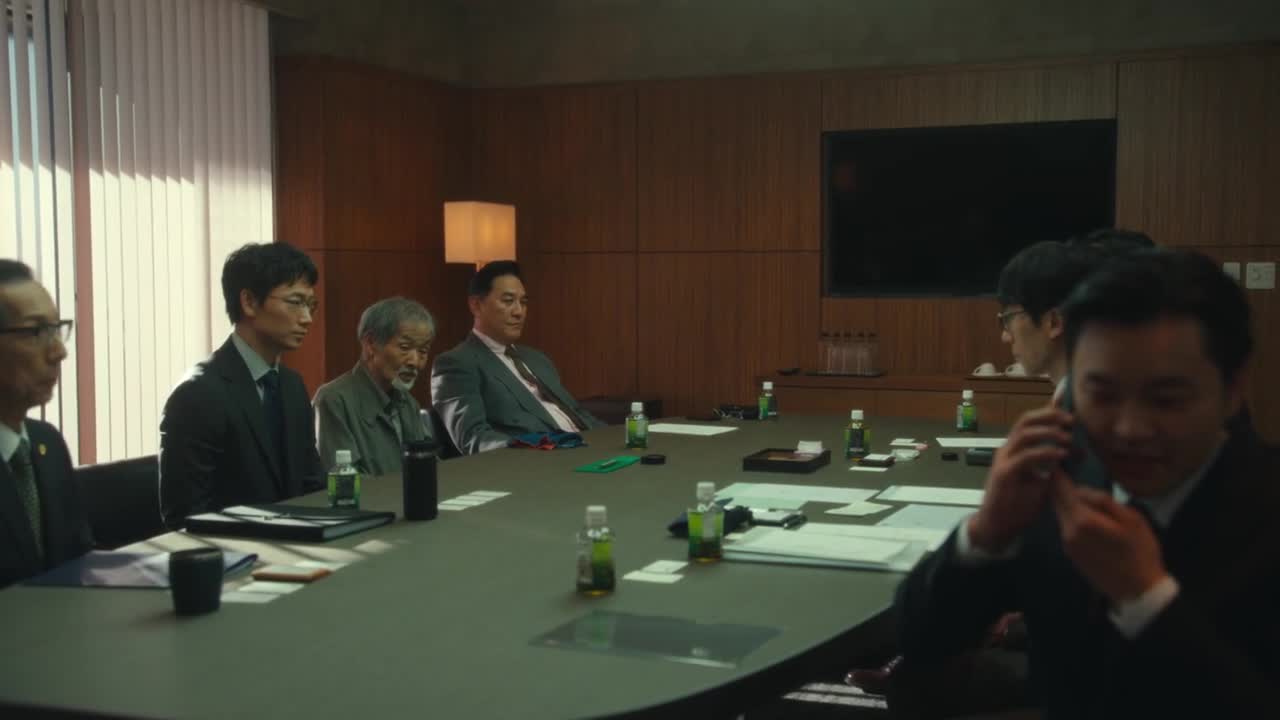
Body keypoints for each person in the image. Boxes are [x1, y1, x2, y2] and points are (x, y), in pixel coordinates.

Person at [895, 248, 1279, 718]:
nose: (1130, 429)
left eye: (1166, 399)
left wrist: (1148, 602)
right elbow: (923, 639)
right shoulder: (1062, 479)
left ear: (1234, 388)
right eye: (1102, 394)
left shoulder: (1264, 506)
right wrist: (985, 535)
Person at [158, 243, 323, 527]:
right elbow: (186, 517)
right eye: (295, 302)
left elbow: (312, 486)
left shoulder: (292, 385)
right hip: (234, 550)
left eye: (311, 305)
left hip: (302, 544)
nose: (307, 318)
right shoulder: (197, 394)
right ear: (249, 302)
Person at [430, 260, 603, 454]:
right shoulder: (456, 363)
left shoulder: (537, 359)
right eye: (508, 301)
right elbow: (474, 438)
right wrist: (537, 447)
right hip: (543, 459)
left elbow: (578, 414)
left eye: (523, 302)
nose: (519, 312)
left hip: (590, 449)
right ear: (476, 305)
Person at [0, 260, 92, 587]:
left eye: (56, 329)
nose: (58, 352)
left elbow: (80, 559)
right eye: (35, 332)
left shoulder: (47, 443)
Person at [314, 297, 437, 474]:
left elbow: (427, 464)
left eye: (423, 351)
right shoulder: (334, 400)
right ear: (370, 344)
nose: (415, 362)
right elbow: (346, 479)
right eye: (404, 347)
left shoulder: (408, 402)